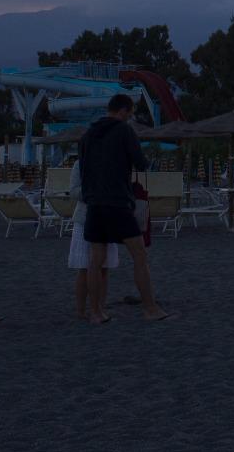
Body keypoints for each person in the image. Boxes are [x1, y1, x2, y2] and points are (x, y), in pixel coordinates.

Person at [80, 94, 170, 322]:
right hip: (118, 202)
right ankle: (150, 309)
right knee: (139, 255)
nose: (130, 117)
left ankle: (96, 313)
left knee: (95, 259)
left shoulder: (88, 134)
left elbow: (83, 171)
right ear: (123, 110)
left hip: (94, 203)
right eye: (130, 113)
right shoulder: (124, 131)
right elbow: (141, 163)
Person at [67, 157, 120, 321]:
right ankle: (82, 310)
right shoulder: (81, 164)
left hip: (108, 217)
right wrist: (96, 191)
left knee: (104, 268)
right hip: (85, 218)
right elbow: (74, 191)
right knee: (83, 268)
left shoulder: (113, 162)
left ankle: (100, 308)